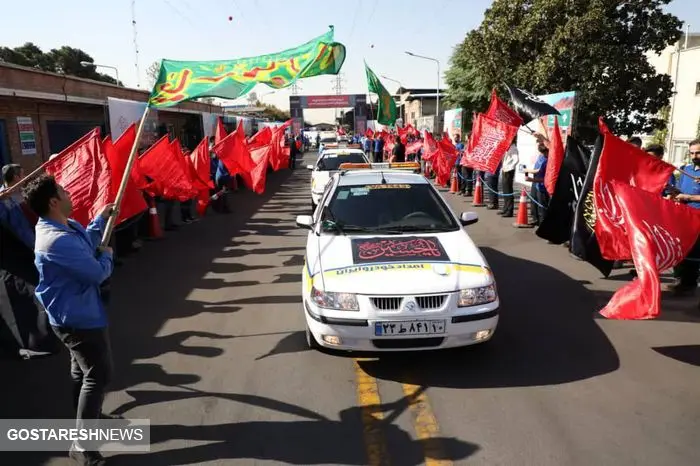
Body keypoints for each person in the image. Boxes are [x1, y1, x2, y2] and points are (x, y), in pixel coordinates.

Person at [23, 175, 115, 465]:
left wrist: (100, 219)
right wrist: (108, 256)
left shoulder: (65, 225)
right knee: (98, 375)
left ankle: (85, 418)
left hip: (76, 313)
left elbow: (86, 242)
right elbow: (95, 272)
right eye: (63, 190)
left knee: (82, 371)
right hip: (78, 319)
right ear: (53, 201)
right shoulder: (55, 240)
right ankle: (83, 445)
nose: (68, 193)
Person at [667, 139, 700, 296]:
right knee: (680, 247)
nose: (695, 156)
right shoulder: (686, 169)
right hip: (683, 215)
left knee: (694, 251)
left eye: (698, 152)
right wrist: (674, 194)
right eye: (692, 152)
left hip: (698, 216)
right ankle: (680, 279)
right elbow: (680, 189)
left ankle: (690, 282)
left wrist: (688, 197)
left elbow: (689, 194)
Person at [524, 143, 549, 226]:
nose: (543, 154)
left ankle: (543, 224)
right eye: (541, 152)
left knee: (542, 206)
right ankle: (535, 219)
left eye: (544, 152)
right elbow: (536, 169)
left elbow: (542, 174)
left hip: (542, 185)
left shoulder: (548, 161)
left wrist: (530, 177)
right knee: (534, 202)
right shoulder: (541, 156)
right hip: (536, 184)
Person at [499, 137, 519, 217]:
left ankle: (509, 210)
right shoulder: (508, 147)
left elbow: (516, 160)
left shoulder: (514, 148)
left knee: (508, 190)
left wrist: (510, 167)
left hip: (509, 171)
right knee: (505, 190)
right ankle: (505, 208)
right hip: (505, 169)